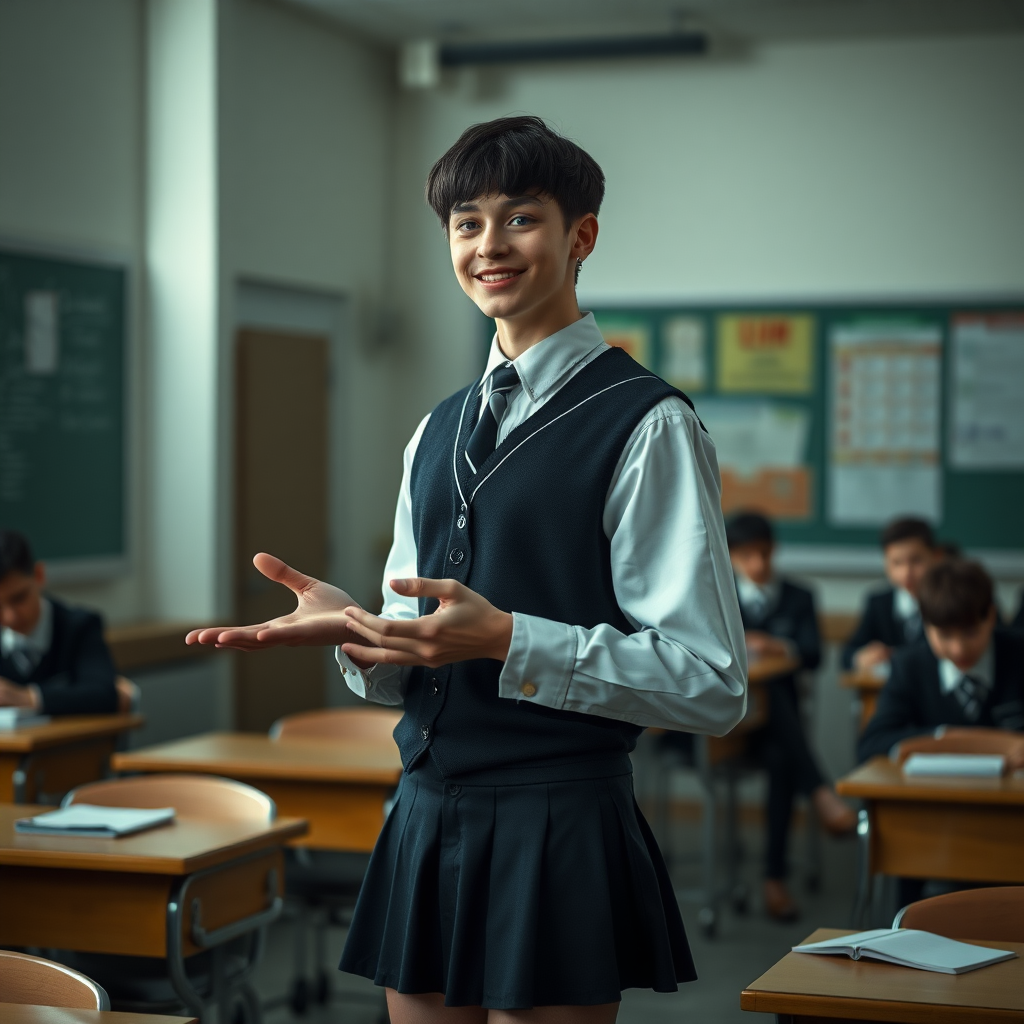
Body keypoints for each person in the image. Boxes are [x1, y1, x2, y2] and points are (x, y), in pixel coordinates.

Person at [187, 115, 747, 1023]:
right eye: (466, 223)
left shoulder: (649, 424)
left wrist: (509, 640)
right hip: (424, 805)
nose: (490, 245)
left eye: (520, 218)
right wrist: (362, 636)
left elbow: (713, 686)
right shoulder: (436, 427)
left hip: (557, 815)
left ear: (581, 237)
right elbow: (416, 659)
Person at [726, 512, 856, 922]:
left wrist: (777, 646)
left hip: (774, 736)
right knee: (778, 692)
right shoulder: (715, 596)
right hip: (726, 729)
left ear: (774, 549)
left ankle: (773, 879)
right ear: (730, 557)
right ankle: (821, 791)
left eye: (764, 553)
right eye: (747, 556)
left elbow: (815, 656)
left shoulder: (799, 595)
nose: (758, 564)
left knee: (782, 751)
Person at [858, 559, 1024, 763]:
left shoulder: (1018, 654)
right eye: (945, 636)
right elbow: (871, 745)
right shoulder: (909, 665)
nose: (958, 649)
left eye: (970, 633)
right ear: (926, 625)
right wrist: (941, 737)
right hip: (934, 792)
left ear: (990, 617)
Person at [0, 529, 118, 714]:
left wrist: (26, 698)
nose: (9, 617)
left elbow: (104, 694)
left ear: (39, 575)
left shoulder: (80, 626)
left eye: (19, 598)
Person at [841, 517, 939, 672]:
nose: (907, 572)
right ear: (885, 563)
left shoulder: (945, 600)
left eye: (916, 560)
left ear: (934, 557)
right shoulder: (879, 602)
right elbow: (847, 655)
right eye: (897, 562)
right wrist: (861, 657)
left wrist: (894, 656)